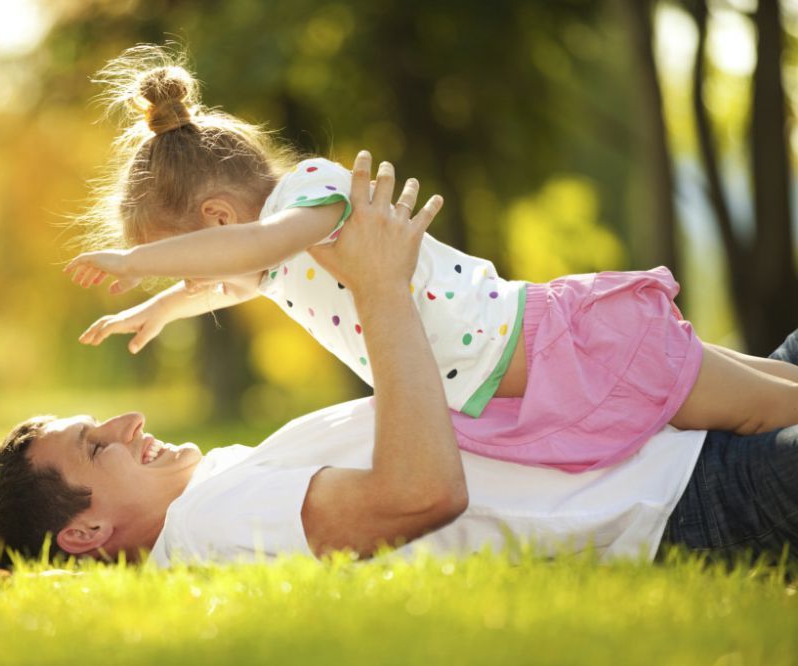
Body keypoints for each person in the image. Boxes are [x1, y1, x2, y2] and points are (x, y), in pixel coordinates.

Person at [0, 155, 798, 570]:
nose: (128, 423)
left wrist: (155, 300)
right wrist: (380, 289)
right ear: (84, 531)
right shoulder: (208, 524)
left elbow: (240, 269)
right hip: (680, 492)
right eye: (95, 445)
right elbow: (422, 494)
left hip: (643, 426)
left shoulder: (217, 486)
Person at [63, 45, 798, 474]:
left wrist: (137, 264)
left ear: (217, 217)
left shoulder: (314, 195)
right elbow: (226, 280)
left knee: (767, 406)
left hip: (559, 345)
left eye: (186, 252)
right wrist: (158, 305)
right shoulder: (280, 253)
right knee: (769, 387)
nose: (196, 271)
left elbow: (244, 252)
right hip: (530, 365)